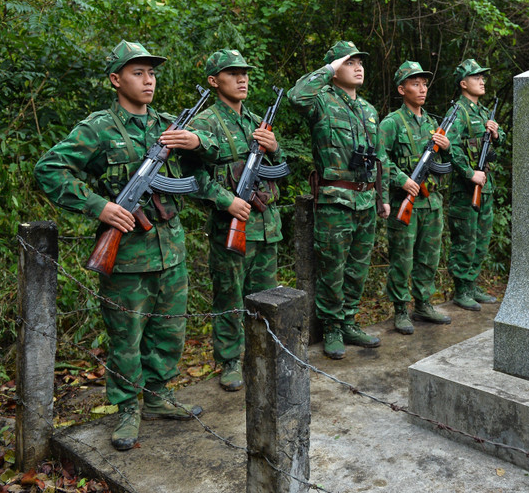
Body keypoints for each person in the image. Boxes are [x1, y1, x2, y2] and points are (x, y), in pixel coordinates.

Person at [34, 40, 213, 451]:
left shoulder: (170, 126)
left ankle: (158, 396)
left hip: (171, 250)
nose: (148, 80)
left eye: (152, 73)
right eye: (138, 72)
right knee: (126, 337)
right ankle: (127, 409)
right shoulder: (98, 128)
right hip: (127, 255)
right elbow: (49, 170)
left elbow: (209, 171)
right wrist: (100, 207)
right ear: (116, 79)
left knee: (170, 330)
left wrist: (198, 145)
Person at [187, 48, 284, 392]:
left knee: (266, 298)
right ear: (214, 81)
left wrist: (274, 149)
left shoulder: (257, 121)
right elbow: (191, 177)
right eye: (232, 73)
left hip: (265, 227)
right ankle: (229, 361)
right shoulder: (204, 123)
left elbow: (279, 171)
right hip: (230, 227)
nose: (242, 79)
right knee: (228, 298)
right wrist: (226, 200)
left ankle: (262, 354)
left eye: (244, 73)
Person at [287, 40, 390, 360]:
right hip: (335, 200)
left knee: (358, 268)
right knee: (332, 268)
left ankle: (348, 321)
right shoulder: (320, 101)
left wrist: (382, 197)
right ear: (334, 70)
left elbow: (380, 159)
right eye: (349, 62)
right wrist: (330, 67)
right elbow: (296, 95)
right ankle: (331, 327)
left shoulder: (369, 110)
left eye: (360, 61)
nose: (358, 67)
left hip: (365, 199)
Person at [378, 61, 453, 334]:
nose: (422, 89)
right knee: (402, 259)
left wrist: (446, 148)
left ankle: (423, 304)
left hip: (431, 202)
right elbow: (380, 157)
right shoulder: (391, 123)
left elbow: (446, 162)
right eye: (415, 84)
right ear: (402, 89)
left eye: (424, 84)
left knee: (429, 257)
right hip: (405, 202)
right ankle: (400, 309)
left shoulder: (432, 123)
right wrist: (402, 179)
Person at [447, 58, 505, 311]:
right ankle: (461, 290)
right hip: (466, 187)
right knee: (465, 239)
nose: (482, 81)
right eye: (476, 77)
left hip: (486, 184)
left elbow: (499, 141)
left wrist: (495, 133)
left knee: (482, 238)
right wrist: (469, 173)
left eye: (483, 77)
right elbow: (451, 148)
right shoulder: (458, 112)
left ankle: (471, 284)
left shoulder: (483, 112)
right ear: (463, 83)